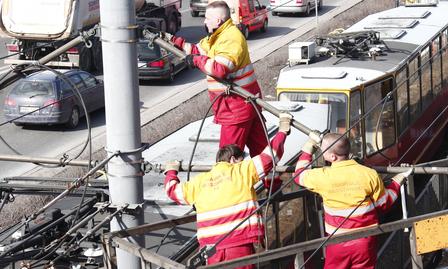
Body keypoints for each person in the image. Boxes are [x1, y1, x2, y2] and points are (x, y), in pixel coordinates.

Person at [163, 113, 292, 268]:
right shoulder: (241, 171)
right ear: (232, 160)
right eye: (240, 160)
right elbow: (270, 156)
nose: (242, 163)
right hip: (238, 245)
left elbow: (173, 191)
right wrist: (282, 131)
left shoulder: (198, 182)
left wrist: (171, 171)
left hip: (210, 250)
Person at [160, 1, 267, 157]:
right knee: (262, 154)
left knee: (227, 161)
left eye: (207, 18)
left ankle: (237, 181)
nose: (204, 21)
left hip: (236, 108)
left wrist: (196, 60)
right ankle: (272, 180)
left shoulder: (231, 38)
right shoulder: (218, 36)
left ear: (217, 21)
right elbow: (197, 50)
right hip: (244, 105)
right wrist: (172, 40)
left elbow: (219, 69)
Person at [293, 132, 413, 269]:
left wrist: (309, 146)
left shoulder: (323, 177)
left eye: (323, 150)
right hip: (365, 241)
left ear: (332, 156)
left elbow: (299, 175)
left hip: (337, 242)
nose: (321, 152)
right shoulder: (369, 174)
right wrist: (397, 181)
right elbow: (384, 204)